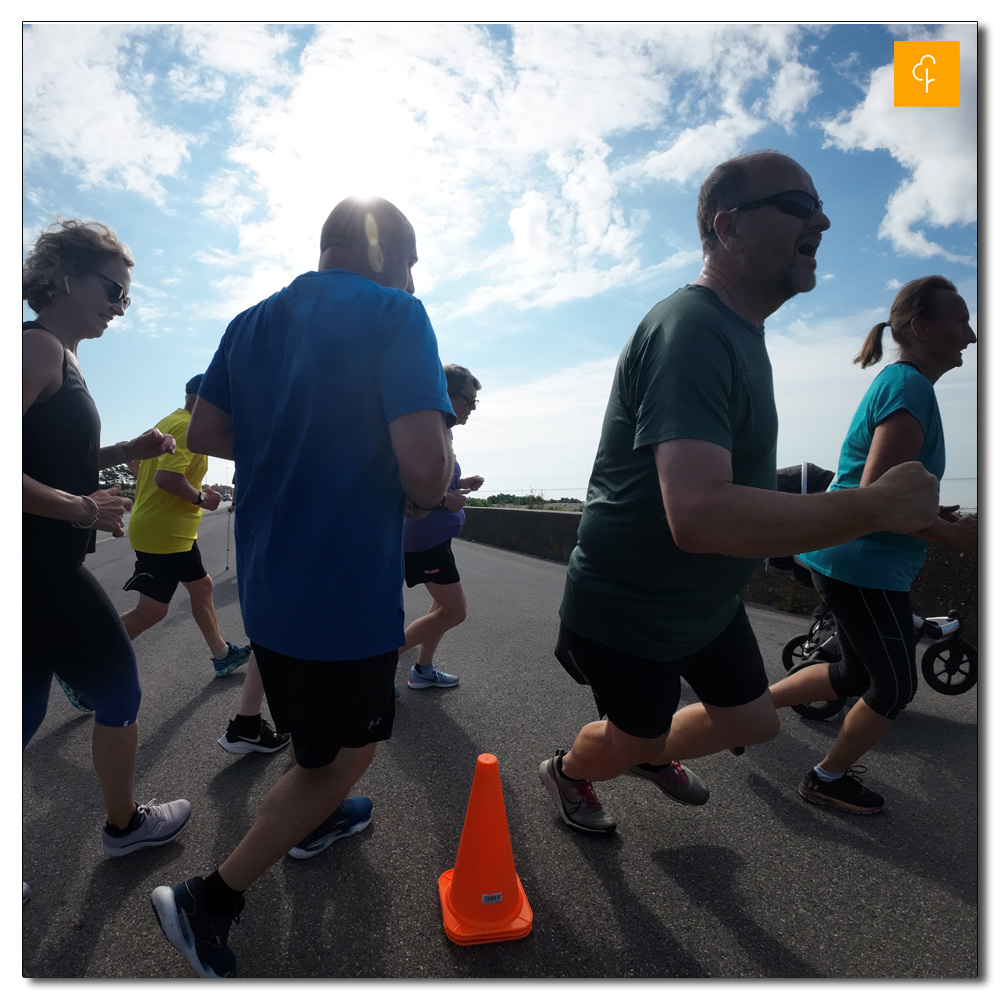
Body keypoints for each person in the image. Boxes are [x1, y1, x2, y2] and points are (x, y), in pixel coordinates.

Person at [539, 150, 941, 835]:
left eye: (817, 206)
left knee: (752, 720)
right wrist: (875, 506)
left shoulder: (739, 331)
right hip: (633, 611)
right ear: (727, 227)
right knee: (634, 736)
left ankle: (638, 749)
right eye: (797, 205)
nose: (823, 219)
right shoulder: (693, 328)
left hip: (704, 602)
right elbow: (698, 515)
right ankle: (573, 772)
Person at [150, 196, 455, 977]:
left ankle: (314, 823)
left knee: (320, 736)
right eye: (413, 263)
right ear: (390, 254)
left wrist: (295, 434)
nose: (415, 280)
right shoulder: (396, 314)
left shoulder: (249, 322)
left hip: (269, 582)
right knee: (349, 752)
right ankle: (208, 899)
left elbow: (211, 432)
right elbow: (424, 467)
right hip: (343, 589)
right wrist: (430, 493)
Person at [768, 276, 977, 814]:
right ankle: (826, 777)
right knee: (896, 686)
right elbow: (878, 497)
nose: (970, 336)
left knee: (853, 674)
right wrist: (950, 535)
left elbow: (884, 489)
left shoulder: (902, 383)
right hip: (863, 564)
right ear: (920, 328)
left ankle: (752, 707)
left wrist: (935, 513)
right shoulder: (910, 388)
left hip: (850, 557)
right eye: (960, 322)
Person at [22, 219, 191, 868]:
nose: (121, 308)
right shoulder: (36, 348)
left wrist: (126, 451)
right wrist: (83, 508)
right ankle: (125, 827)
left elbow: (53, 455)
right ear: (64, 277)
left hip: (39, 567)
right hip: (39, 568)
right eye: (113, 291)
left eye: (127, 298)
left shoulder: (57, 356)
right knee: (118, 691)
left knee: (29, 710)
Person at [118, 374, 287, 754]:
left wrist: (173, 494)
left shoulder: (169, 421)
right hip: (164, 533)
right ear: (203, 398)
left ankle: (222, 655)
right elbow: (165, 476)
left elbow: (137, 462)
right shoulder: (185, 427)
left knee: (203, 587)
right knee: (151, 611)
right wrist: (199, 498)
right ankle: (81, 665)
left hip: (174, 530)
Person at [399, 363, 484, 690]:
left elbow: (434, 481)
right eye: (469, 399)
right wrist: (441, 503)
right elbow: (404, 487)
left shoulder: (441, 430)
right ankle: (383, 659)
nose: (472, 408)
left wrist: (459, 483)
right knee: (454, 612)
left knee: (440, 607)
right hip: (424, 541)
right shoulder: (426, 430)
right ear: (445, 394)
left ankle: (423, 670)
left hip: (436, 538)